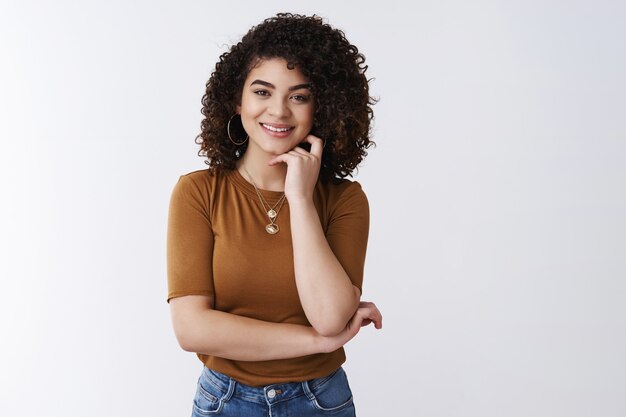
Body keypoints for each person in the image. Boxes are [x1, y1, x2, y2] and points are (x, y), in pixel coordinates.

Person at [166, 13, 382, 417]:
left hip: (321, 401)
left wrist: (299, 200)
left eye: (299, 96)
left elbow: (331, 316)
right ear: (238, 99)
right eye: (262, 92)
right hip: (224, 402)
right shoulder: (198, 193)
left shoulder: (344, 200)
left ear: (322, 106)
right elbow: (192, 329)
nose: (278, 111)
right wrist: (318, 343)